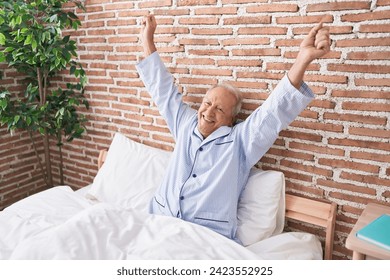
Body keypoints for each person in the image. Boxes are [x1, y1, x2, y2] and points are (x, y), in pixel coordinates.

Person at [136, 14, 330, 243]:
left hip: (204, 237)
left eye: (219, 109)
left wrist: (303, 59)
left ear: (231, 120)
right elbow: (162, 91)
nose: (208, 112)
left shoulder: (240, 142)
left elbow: (272, 112)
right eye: (207, 103)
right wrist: (147, 40)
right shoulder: (185, 123)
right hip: (159, 220)